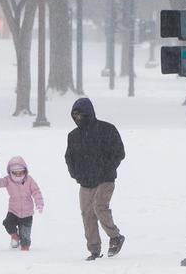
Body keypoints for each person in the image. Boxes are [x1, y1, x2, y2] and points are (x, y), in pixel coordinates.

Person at [64, 98, 126, 260]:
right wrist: (76, 174)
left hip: (105, 178)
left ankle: (115, 237)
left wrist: (107, 168)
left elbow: (119, 152)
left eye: (81, 114)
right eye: (75, 115)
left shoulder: (107, 129)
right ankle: (94, 249)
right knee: (87, 214)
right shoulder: (73, 136)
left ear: (89, 112)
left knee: (100, 207)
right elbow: (69, 158)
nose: (78, 117)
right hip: (85, 182)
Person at [0, 156, 44, 251]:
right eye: (15, 173)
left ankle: (24, 249)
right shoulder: (8, 180)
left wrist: (39, 203)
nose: (18, 175)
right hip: (13, 211)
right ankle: (15, 236)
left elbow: (36, 191)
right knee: (7, 223)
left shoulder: (29, 180)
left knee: (25, 237)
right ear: (10, 172)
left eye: (21, 172)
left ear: (25, 171)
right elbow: (1, 183)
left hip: (27, 213)